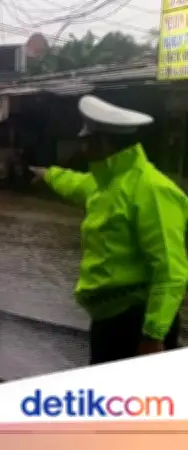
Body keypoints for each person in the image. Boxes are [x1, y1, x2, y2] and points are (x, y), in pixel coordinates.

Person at [30, 95, 188, 365]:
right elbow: (75, 183)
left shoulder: (152, 190)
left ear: (103, 143)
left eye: (87, 142)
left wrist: (154, 335)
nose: (83, 148)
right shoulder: (107, 183)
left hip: (138, 322)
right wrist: (48, 174)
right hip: (108, 320)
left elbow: (170, 271)